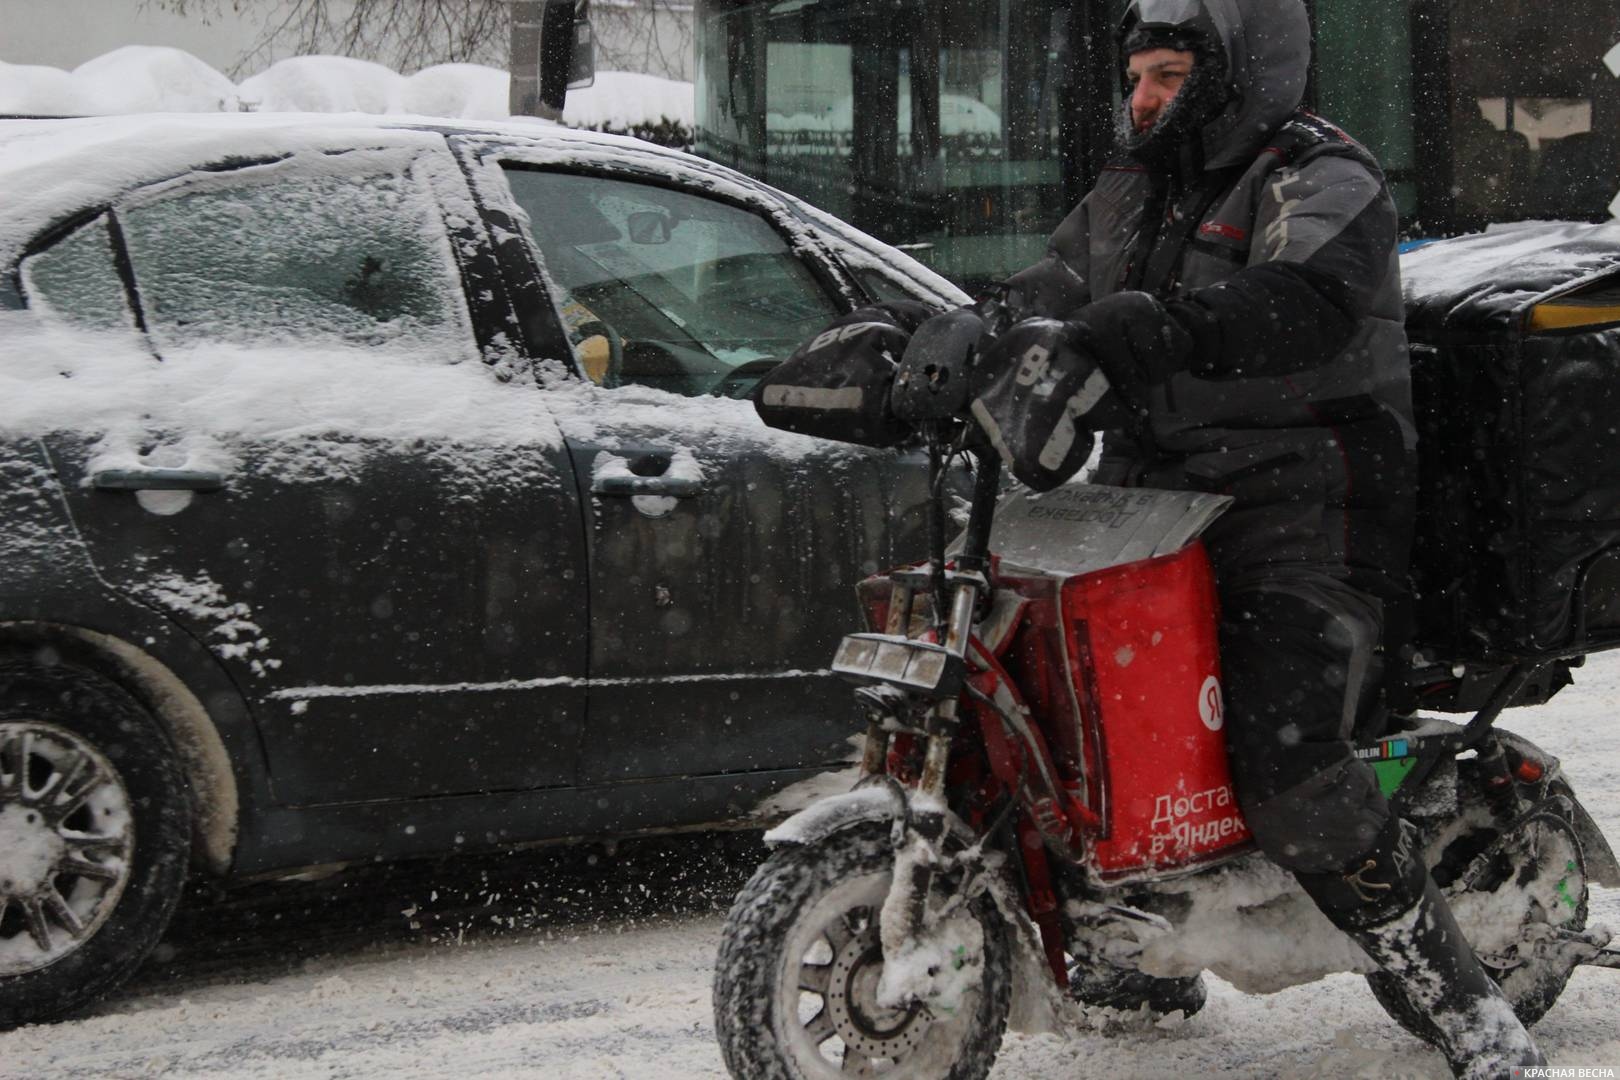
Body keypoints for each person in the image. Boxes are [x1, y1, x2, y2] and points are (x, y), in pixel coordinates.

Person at [961, 1, 1546, 1076]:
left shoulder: (1319, 171)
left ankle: (1466, 1008)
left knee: (1284, 753)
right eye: (1135, 76)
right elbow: (1053, 289)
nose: (1141, 98)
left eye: (1168, 72)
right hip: (1151, 505)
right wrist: (959, 332)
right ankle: (1146, 953)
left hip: (1309, 508)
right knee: (1084, 709)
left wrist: (1165, 326)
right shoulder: (1132, 188)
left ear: (1234, 72)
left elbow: (1303, 299)